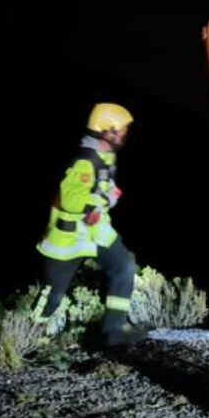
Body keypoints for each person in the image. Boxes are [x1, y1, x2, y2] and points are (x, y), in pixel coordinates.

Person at [30, 103, 144, 347]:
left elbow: (103, 191)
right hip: (69, 238)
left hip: (97, 232)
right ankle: (29, 336)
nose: (125, 135)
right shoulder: (85, 162)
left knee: (124, 267)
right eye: (121, 131)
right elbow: (71, 200)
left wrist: (109, 196)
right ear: (106, 131)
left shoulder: (106, 158)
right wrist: (96, 202)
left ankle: (114, 331)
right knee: (54, 294)